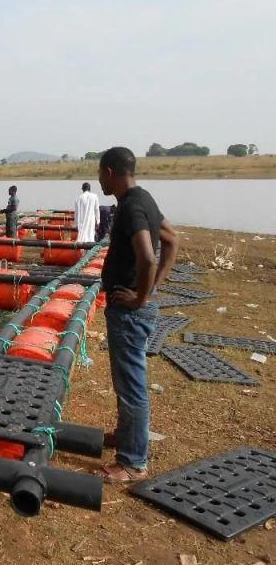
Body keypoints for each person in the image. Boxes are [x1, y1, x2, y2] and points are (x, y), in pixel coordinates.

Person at [97, 147, 179, 483]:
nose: (99, 179)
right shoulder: (144, 198)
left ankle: (132, 462)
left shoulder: (131, 206)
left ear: (111, 172)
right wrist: (154, 289)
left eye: (100, 173)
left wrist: (140, 299)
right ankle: (126, 435)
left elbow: (147, 257)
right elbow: (172, 240)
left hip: (129, 312)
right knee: (125, 379)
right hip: (134, 308)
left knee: (131, 384)